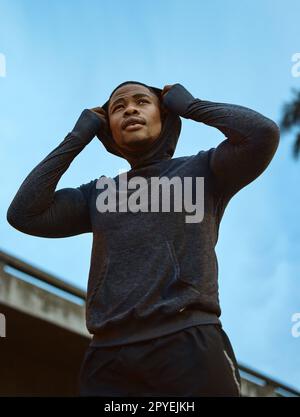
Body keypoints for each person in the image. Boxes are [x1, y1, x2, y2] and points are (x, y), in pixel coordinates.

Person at [6, 81, 280, 397]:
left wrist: (191, 106)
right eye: (117, 108)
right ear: (108, 130)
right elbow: (24, 213)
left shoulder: (204, 170)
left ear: (164, 116)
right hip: (109, 356)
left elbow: (262, 135)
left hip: (187, 340)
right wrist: (77, 137)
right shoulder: (100, 193)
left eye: (142, 101)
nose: (130, 109)